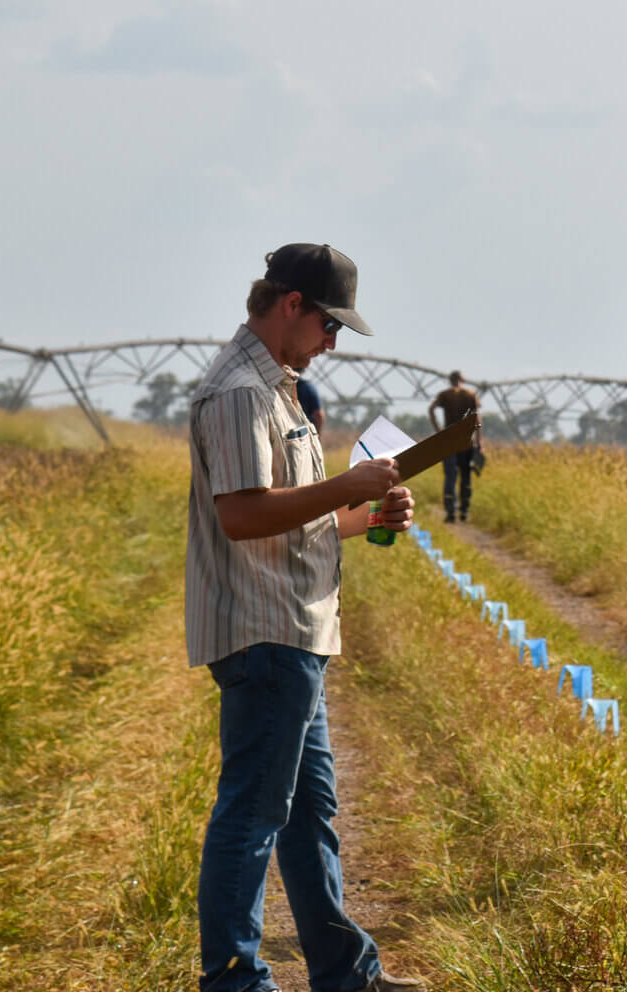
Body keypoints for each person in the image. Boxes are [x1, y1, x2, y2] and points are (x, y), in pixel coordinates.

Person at [186, 243, 424, 992]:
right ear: (291, 305)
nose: (332, 343)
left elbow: (297, 519)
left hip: (296, 631)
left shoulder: (278, 388)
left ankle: (343, 973)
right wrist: (344, 484)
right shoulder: (238, 394)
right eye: (330, 325)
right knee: (253, 815)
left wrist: (369, 512)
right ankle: (235, 980)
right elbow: (242, 517)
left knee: (307, 814)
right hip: (264, 634)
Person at [428, 371, 482, 522]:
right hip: (467, 442)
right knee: (466, 477)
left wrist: (439, 432)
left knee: (450, 477)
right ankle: (464, 511)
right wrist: (479, 441)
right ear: (462, 380)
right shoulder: (470, 394)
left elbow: (431, 409)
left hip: (449, 442)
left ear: (450, 380)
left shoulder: (445, 395)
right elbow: (477, 417)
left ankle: (450, 512)